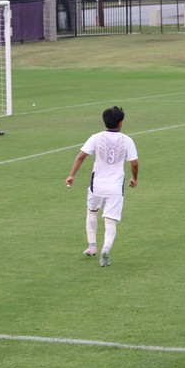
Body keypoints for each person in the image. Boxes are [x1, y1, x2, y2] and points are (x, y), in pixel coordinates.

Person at [65, 106, 139, 268]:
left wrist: (72, 175)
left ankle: (92, 245)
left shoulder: (96, 137)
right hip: (115, 186)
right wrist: (134, 178)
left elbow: (82, 156)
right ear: (121, 123)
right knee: (110, 220)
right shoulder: (127, 140)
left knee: (92, 211)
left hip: (96, 184)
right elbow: (133, 163)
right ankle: (106, 248)